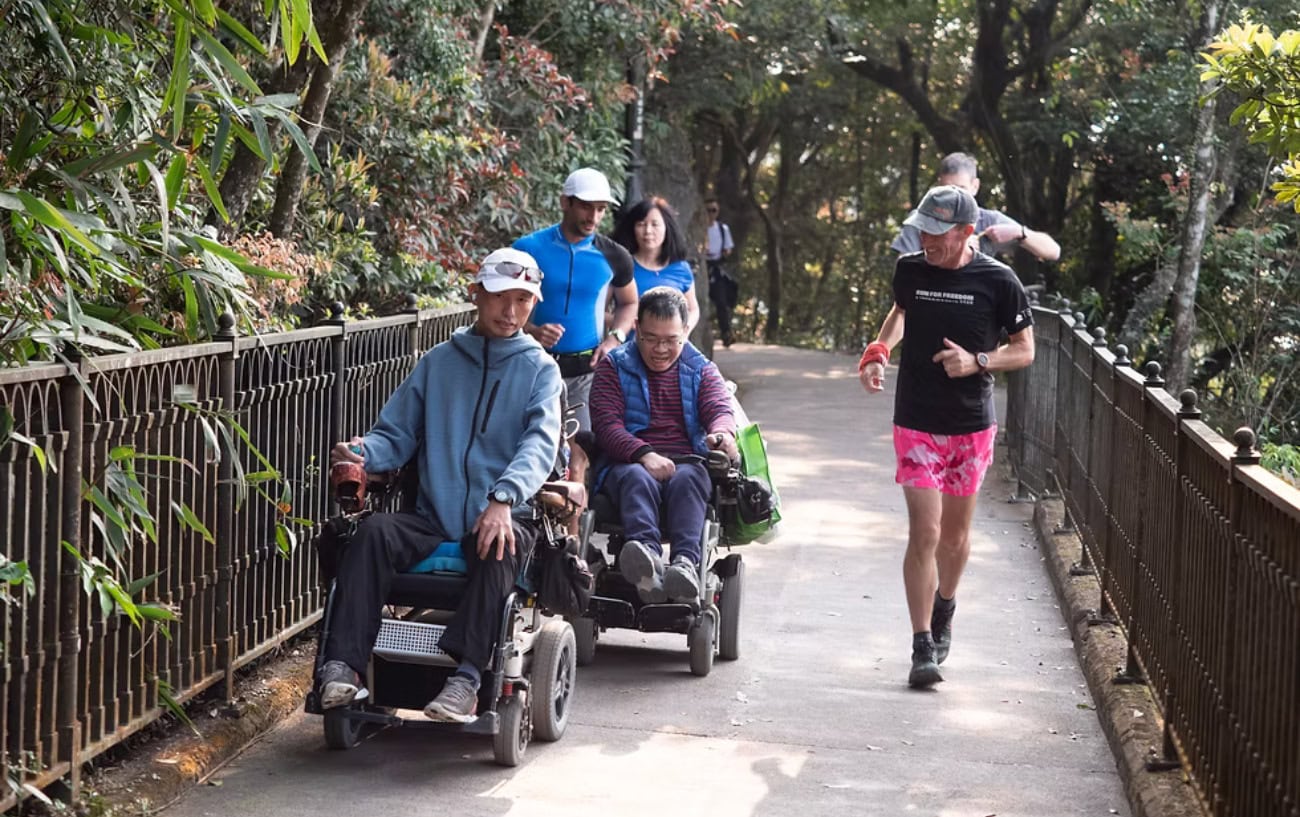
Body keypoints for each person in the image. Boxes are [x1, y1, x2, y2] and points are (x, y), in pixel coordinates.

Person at [319, 247, 563, 723]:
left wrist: (504, 497)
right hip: (433, 517)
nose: (511, 312)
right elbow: (397, 433)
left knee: (498, 543)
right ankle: (344, 666)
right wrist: (363, 454)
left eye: (524, 301)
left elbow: (539, 444)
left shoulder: (540, 371)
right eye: (500, 298)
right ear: (476, 295)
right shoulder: (438, 363)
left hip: (505, 516)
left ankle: (467, 678)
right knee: (372, 534)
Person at [861, 185, 1035, 689]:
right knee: (926, 533)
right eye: (922, 231)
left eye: (937, 234)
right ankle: (921, 647)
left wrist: (978, 361)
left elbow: (1024, 351)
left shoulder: (999, 281)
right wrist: (878, 350)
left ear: (966, 232)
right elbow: (901, 312)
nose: (926, 241)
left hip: (970, 425)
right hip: (915, 418)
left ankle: (945, 605)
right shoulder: (911, 269)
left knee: (955, 539)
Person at [589, 287, 738, 603]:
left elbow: (719, 410)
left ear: (685, 331)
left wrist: (722, 435)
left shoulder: (701, 369)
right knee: (636, 478)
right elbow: (606, 425)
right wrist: (644, 454)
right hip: (627, 462)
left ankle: (685, 564)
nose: (660, 349)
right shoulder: (613, 367)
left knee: (690, 477)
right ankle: (647, 560)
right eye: (651, 338)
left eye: (671, 340)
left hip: (685, 461)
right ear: (637, 328)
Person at [514, 168, 637, 432]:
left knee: (580, 451)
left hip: (587, 369)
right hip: (532, 363)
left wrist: (614, 338)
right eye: (585, 207)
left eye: (601, 209)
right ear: (565, 202)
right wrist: (532, 331)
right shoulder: (528, 249)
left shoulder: (615, 255)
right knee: (530, 445)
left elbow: (630, 303)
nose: (594, 217)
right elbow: (503, 305)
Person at [892, 152, 1061, 263]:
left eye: (961, 189)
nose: (954, 197)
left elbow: (1053, 252)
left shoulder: (989, 221)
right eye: (948, 189)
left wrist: (1019, 232)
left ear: (975, 186)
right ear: (939, 186)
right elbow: (903, 267)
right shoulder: (921, 219)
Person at [611, 197, 701, 332]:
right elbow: (599, 313)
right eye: (641, 224)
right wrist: (630, 323)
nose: (648, 231)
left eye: (655, 224)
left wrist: (684, 330)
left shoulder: (681, 268)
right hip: (628, 348)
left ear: (667, 227)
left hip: (673, 349)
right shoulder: (621, 266)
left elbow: (693, 309)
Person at [704, 198, 738, 347]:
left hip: (716, 266)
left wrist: (725, 252)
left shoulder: (722, 229)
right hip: (702, 265)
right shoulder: (699, 228)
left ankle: (726, 333)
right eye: (708, 210)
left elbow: (728, 248)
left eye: (714, 210)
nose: (711, 213)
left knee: (721, 301)